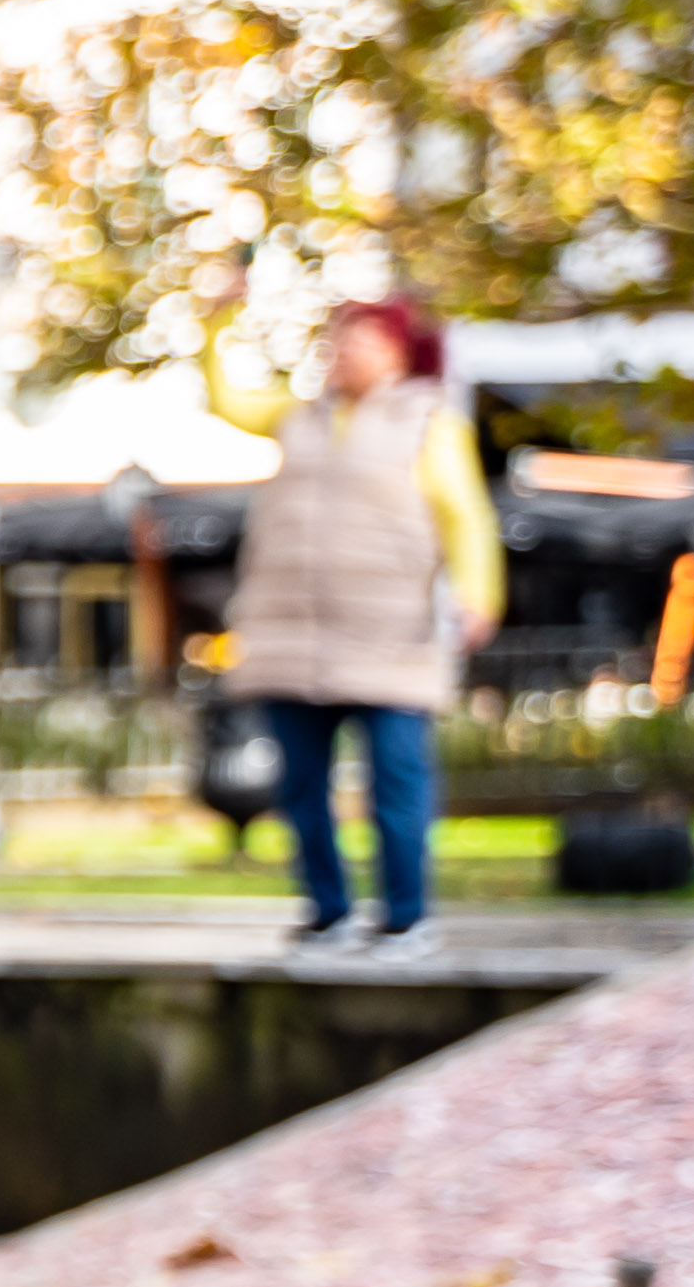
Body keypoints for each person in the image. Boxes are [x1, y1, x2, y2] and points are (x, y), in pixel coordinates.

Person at [210, 294, 500, 957]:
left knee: (396, 784)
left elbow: (467, 517)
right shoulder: (297, 417)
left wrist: (478, 595)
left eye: (362, 341)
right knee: (301, 787)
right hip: (291, 634)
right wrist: (218, 319)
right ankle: (327, 911)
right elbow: (226, 399)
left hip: (390, 635)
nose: (344, 353)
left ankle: (406, 916)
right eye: (337, 341)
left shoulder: (430, 423)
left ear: (397, 352)